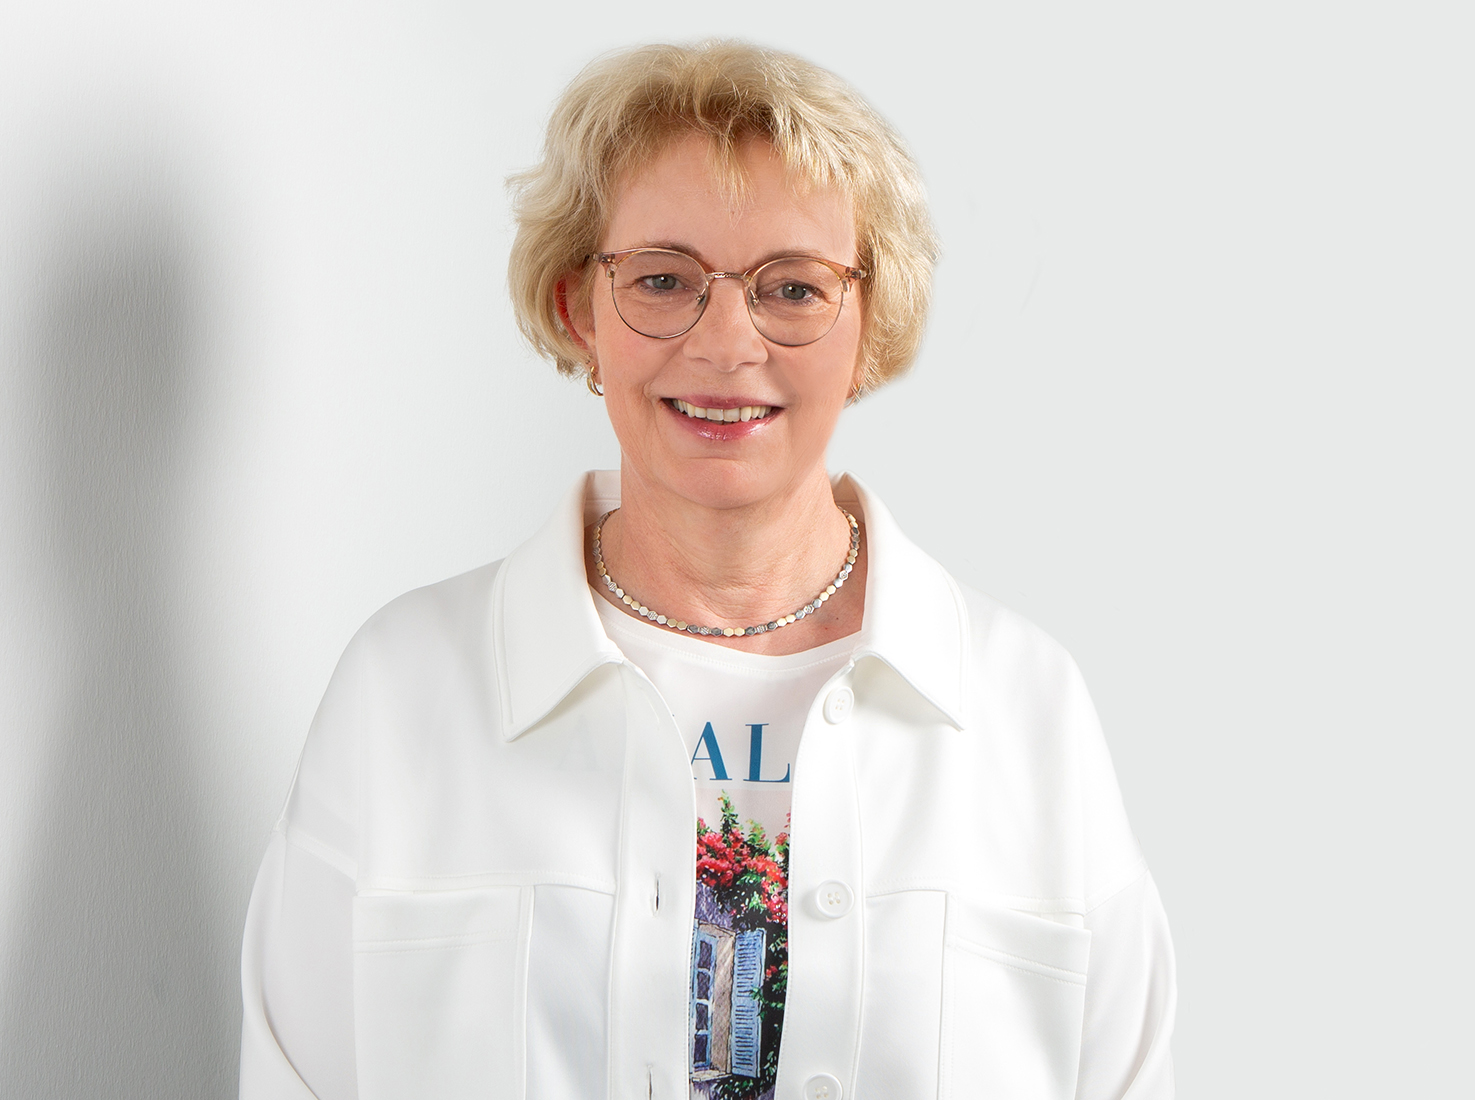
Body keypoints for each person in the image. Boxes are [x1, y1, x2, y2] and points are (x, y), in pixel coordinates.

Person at [238, 40, 1176, 1100]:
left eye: (793, 287)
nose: (727, 343)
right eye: (661, 279)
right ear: (577, 310)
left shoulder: (1025, 708)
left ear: (869, 323)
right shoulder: (404, 690)